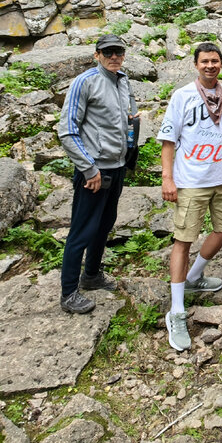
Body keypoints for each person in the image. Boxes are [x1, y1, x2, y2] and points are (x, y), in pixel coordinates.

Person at [158, 42, 222, 352]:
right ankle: (178, 311)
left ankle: (195, 275)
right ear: (196, 64)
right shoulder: (182, 96)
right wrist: (167, 177)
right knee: (183, 240)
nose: (210, 65)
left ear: (221, 64)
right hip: (191, 181)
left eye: (215, 61)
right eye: (205, 61)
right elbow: (168, 141)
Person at [56, 33, 136, 314]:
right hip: (95, 170)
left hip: (116, 166)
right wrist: (89, 169)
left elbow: (114, 119)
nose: (114, 56)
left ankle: (91, 276)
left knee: (104, 225)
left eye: (119, 51)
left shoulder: (122, 80)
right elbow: (66, 129)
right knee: (82, 230)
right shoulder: (85, 82)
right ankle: (69, 293)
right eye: (108, 52)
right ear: (97, 54)